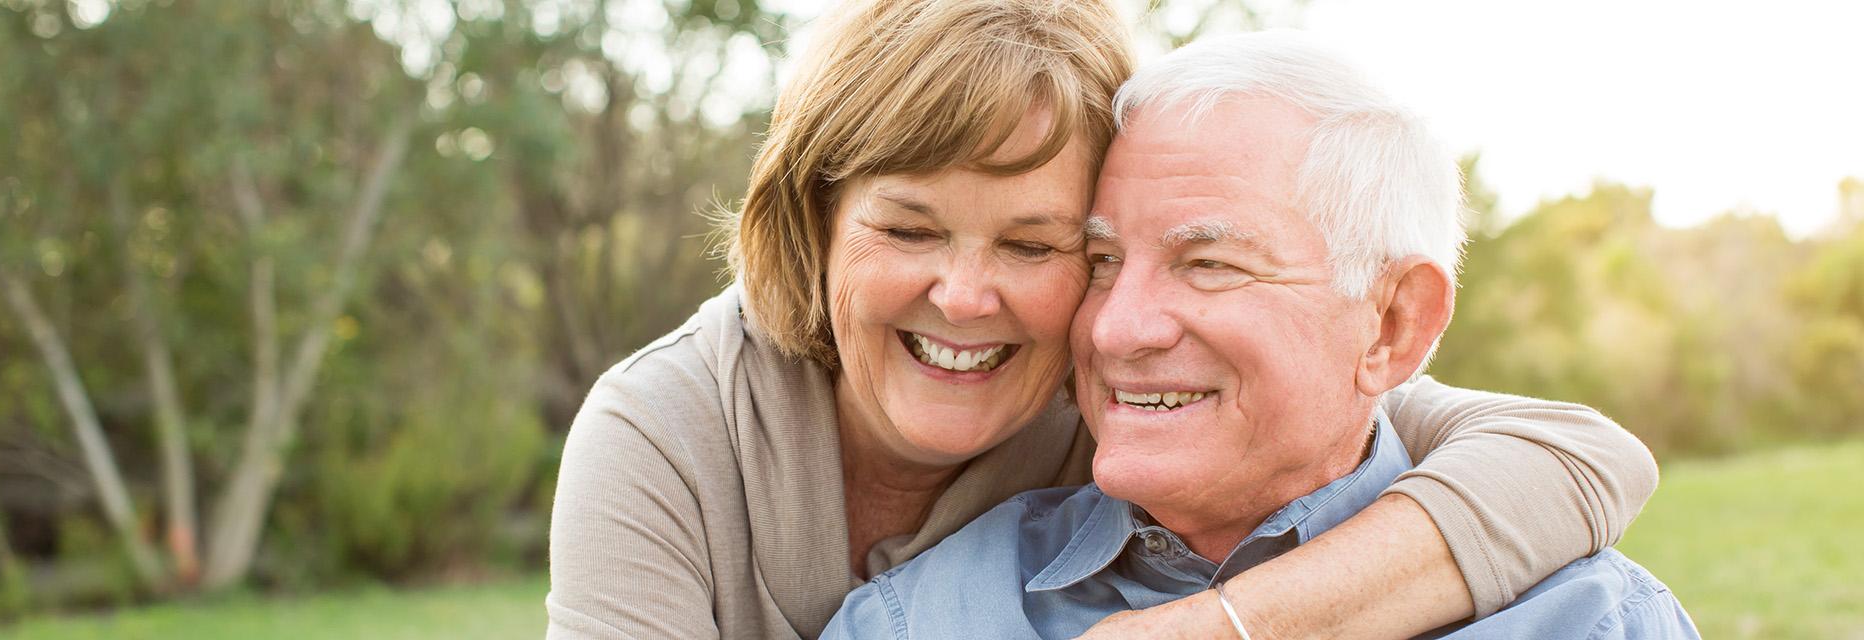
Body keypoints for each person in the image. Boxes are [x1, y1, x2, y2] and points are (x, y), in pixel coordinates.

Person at [546, 2, 1660, 638]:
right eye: (909, 230)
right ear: (816, 223)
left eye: (1039, 246)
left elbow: (1574, 452)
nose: (970, 297)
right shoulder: (671, 433)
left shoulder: (1119, 392)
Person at [821, 31, 1699, 640]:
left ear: (1392, 326)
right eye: (1099, 259)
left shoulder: (1589, 622)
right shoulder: (916, 621)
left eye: (1208, 263)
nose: (1117, 328)